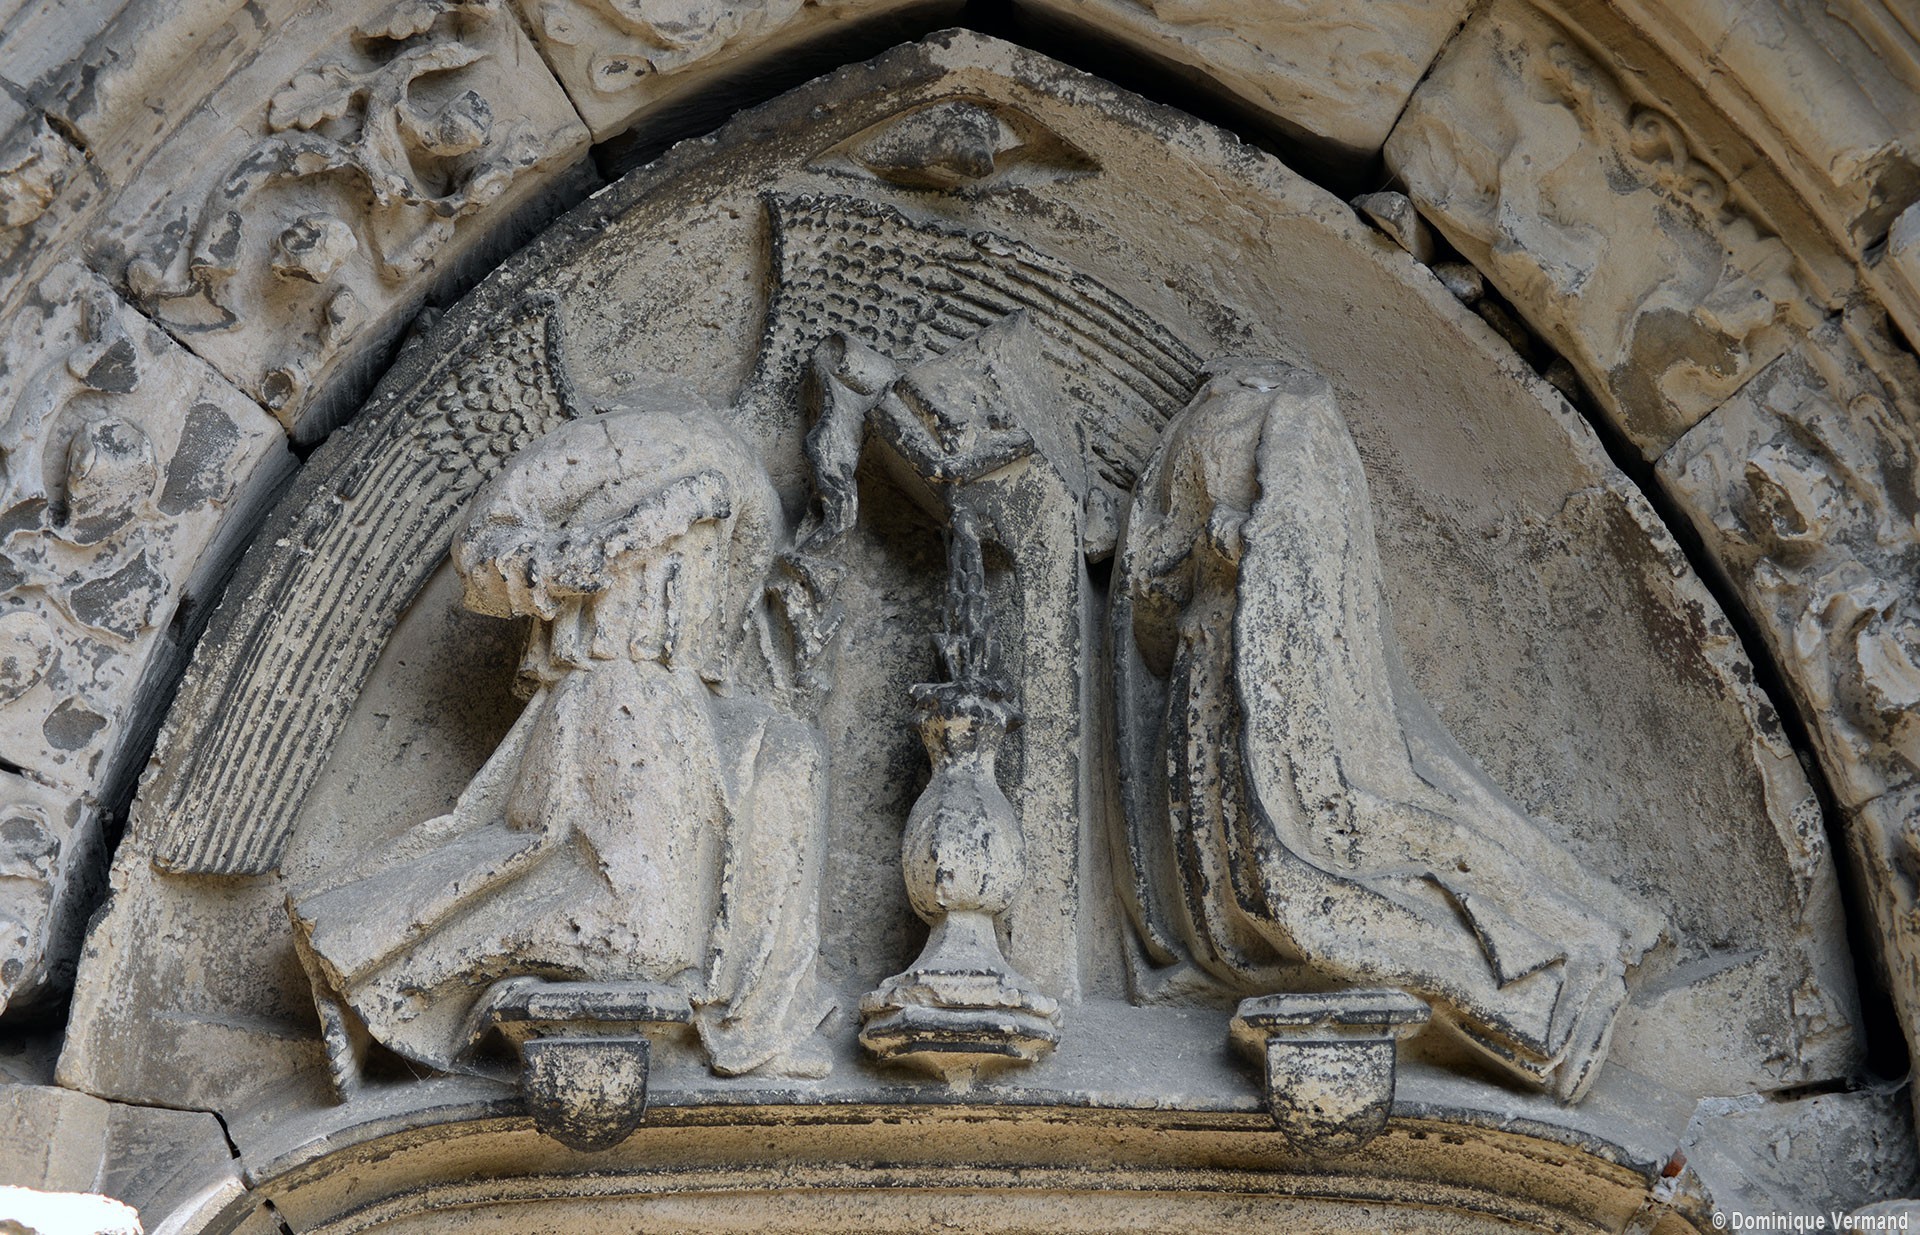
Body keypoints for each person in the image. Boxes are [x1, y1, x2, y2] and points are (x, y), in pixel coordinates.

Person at [290, 404, 835, 1083]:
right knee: (639, 934)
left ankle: (758, 1022)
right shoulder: (601, 444)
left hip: (693, 699)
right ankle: (366, 966)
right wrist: (592, 552)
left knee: (793, 757)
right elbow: (481, 552)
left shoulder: (741, 466)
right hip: (611, 682)